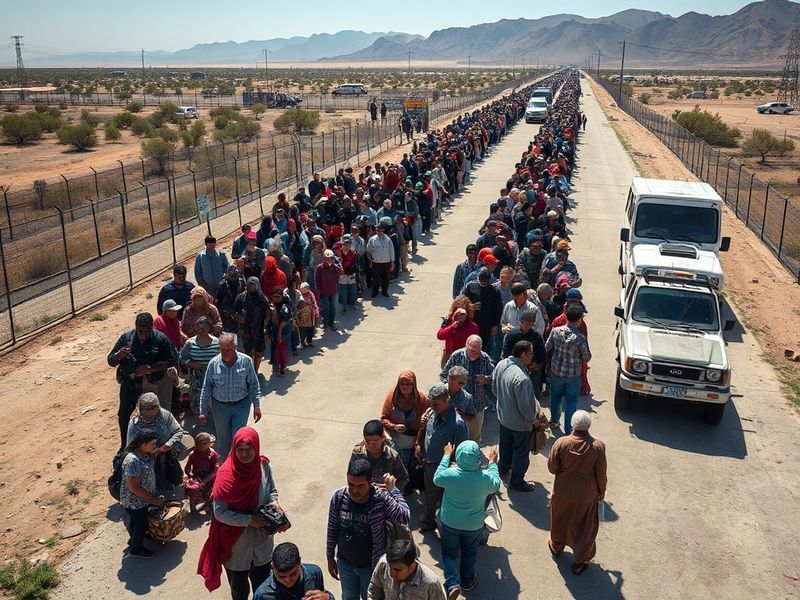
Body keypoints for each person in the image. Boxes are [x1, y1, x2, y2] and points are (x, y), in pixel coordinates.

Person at [198, 427, 287, 599]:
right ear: (234, 449)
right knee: (239, 590)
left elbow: (272, 491)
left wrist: (274, 505)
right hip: (236, 545)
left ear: (257, 447)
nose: (244, 454)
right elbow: (220, 513)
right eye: (240, 450)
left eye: (249, 449)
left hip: (262, 542)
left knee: (263, 588)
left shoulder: (263, 466)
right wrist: (249, 520)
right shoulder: (226, 475)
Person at [326, 458, 411, 600]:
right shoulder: (339, 497)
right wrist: (330, 557)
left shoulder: (381, 498)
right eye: (351, 485)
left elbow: (404, 516)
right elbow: (332, 528)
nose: (354, 490)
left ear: (370, 482)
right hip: (345, 565)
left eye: (360, 486)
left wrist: (393, 490)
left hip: (371, 568)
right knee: (348, 597)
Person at [433, 441, 500, 598]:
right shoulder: (485, 479)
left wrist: (446, 455)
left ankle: (452, 583)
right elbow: (496, 483)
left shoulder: (450, 474)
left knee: (449, 553)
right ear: (478, 458)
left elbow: (437, 478)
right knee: (470, 552)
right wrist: (492, 463)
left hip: (449, 521)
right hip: (473, 525)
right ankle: (467, 581)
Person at [547, 410, 607, 576]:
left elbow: (552, 468)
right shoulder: (598, 447)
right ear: (588, 426)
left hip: (562, 491)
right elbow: (601, 475)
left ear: (573, 425)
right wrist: (601, 492)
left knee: (560, 519)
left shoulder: (561, 442)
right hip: (588, 495)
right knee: (585, 528)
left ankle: (556, 546)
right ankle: (579, 563)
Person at [108, 312, 178, 447]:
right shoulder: (126, 338)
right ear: (136, 327)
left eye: (147, 331)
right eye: (140, 331)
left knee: (156, 416)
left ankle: (158, 446)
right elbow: (110, 361)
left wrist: (149, 368)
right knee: (125, 416)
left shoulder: (160, 339)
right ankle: (126, 446)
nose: (144, 335)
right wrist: (118, 355)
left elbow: (172, 360)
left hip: (154, 386)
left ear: (152, 327)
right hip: (130, 385)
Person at [415, 383, 468, 532]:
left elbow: (462, 452)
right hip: (428, 466)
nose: (432, 407)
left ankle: (444, 526)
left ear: (446, 400)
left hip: (445, 469)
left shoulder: (457, 424)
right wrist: (419, 445)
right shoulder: (432, 413)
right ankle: (429, 520)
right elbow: (424, 430)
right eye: (431, 404)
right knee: (430, 496)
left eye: (436, 404)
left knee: (446, 499)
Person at [199, 333, 261, 461]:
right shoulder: (213, 364)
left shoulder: (246, 361)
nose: (225, 353)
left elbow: (253, 385)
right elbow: (206, 388)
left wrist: (257, 405)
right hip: (220, 407)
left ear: (235, 347)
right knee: (223, 442)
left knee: (238, 438)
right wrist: (202, 411)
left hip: (241, 406)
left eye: (229, 349)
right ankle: (224, 469)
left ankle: (239, 466)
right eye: (222, 350)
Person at [492, 340, 541, 492]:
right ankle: (517, 482)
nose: (532, 356)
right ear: (523, 355)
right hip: (520, 425)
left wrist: (505, 403)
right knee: (520, 453)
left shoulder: (501, 364)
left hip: (504, 418)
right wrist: (535, 421)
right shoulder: (522, 379)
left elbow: (494, 388)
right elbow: (525, 409)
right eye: (531, 353)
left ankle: (503, 468)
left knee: (505, 446)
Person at [545, 305, 591, 434]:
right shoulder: (580, 338)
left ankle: (554, 421)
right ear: (579, 320)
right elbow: (587, 357)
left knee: (555, 398)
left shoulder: (555, 331)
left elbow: (547, 346)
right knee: (571, 402)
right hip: (573, 375)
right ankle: (568, 430)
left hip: (556, 372)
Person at [126, 392, 183, 493]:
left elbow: (178, 432)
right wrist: (148, 453)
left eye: (151, 409)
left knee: (166, 478)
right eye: (145, 410)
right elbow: (130, 446)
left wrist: (168, 445)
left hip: (165, 455)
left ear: (156, 407)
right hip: (145, 461)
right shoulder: (135, 422)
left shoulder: (165, 415)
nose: (147, 413)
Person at [120, 430, 164, 559]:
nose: (155, 446)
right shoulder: (132, 460)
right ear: (143, 444)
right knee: (141, 523)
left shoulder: (145, 454)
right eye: (153, 444)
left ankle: (135, 539)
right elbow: (133, 487)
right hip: (134, 501)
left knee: (137, 521)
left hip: (141, 499)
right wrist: (153, 499)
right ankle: (136, 550)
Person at [440, 335, 494, 440]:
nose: (473, 353)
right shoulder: (456, 356)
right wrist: (452, 384)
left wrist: (486, 379)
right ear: (466, 346)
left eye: (476, 351)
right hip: (458, 406)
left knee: (474, 437)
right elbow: (443, 375)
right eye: (471, 350)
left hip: (477, 405)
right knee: (455, 437)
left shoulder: (485, 358)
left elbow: (495, 377)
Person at [380, 370, 430, 474]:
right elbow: (383, 418)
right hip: (394, 435)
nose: (404, 387)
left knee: (406, 465)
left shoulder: (421, 400)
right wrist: (394, 426)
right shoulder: (392, 397)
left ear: (413, 385)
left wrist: (418, 443)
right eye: (402, 384)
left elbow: (426, 422)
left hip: (412, 436)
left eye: (408, 384)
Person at [367, 539, 446, 600]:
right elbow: (373, 588)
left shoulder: (431, 584)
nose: (391, 574)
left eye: (397, 570)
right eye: (389, 567)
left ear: (412, 566)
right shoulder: (383, 564)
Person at [254, 542, 334, 600]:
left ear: (299, 561)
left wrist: (329, 597)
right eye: (281, 576)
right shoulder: (263, 594)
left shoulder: (314, 573)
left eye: (293, 574)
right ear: (272, 567)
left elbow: (322, 593)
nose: (288, 580)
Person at [351, 420, 409, 492]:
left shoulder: (392, 455)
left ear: (383, 438)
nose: (371, 445)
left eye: (375, 441)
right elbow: (351, 475)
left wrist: (391, 488)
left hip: (385, 496)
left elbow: (403, 478)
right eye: (368, 441)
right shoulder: (358, 453)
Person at [180, 316, 220, 415]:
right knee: (196, 398)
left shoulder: (217, 342)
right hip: (196, 377)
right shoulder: (190, 343)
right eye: (199, 326)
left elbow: (222, 358)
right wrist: (191, 363)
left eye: (204, 326)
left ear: (210, 327)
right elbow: (181, 357)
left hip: (213, 377)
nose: (201, 328)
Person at [234, 277, 270, 373]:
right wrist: (238, 317)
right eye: (249, 284)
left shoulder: (263, 299)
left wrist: (266, 328)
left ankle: (255, 372)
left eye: (253, 285)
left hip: (259, 329)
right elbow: (234, 311)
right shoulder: (241, 297)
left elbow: (267, 314)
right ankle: (250, 373)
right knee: (248, 352)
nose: (251, 287)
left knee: (258, 353)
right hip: (245, 330)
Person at [436, 299, 480, 368]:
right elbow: (440, 335)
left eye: (463, 313)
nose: (461, 316)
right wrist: (452, 327)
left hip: (464, 358)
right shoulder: (448, 321)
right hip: (449, 356)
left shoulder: (473, 327)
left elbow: (475, 344)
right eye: (458, 312)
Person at [184, 431, 219, 513]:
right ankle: (193, 508)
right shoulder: (192, 455)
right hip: (197, 478)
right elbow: (187, 468)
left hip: (210, 478)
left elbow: (215, 471)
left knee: (210, 492)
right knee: (192, 490)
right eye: (208, 442)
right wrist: (190, 475)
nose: (210, 443)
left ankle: (207, 506)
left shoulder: (212, 454)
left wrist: (205, 480)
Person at [267, 287, 293, 376]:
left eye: (277, 297)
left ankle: (282, 368)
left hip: (283, 333)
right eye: (273, 297)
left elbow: (282, 325)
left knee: (282, 350)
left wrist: (279, 336)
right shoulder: (272, 307)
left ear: (282, 297)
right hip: (274, 331)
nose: (275, 299)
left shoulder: (284, 308)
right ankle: (276, 367)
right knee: (275, 349)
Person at [316, 249, 343, 329]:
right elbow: (317, 280)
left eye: (330, 258)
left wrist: (337, 265)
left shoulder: (335, 267)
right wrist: (319, 290)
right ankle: (325, 322)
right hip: (323, 291)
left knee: (333, 307)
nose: (328, 260)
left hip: (333, 291)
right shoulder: (320, 268)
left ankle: (331, 322)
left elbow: (341, 273)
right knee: (326, 307)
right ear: (323, 258)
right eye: (326, 258)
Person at [217, 264, 247, 335]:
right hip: (228, 315)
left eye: (235, 275)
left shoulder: (242, 282)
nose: (233, 277)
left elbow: (246, 297)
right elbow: (219, 303)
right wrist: (232, 313)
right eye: (231, 275)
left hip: (241, 314)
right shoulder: (222, 285)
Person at [366, 223, 395, 298]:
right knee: (376, 278)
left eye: (380, 230)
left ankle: (384, 291)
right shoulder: (372, 239)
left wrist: (392, 262)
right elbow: (368, 251)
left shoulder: (388, 239)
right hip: (376, 262)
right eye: (377, 230)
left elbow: (391, 251)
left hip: (386, 262)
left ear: (383, 230)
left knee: (386, 278)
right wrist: (370, 260)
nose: (379, 232)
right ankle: (375, 291)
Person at [297, 282, 320, 347]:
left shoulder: (311, 294)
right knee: (303, 330)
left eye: (306, 288)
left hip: (310, 316)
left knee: (311, 329)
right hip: (302, 317)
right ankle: (302, 342)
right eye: (302, 288)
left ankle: (309, 341)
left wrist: (316, 312)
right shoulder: (299, 295)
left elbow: (314, 303)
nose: (304, 290)